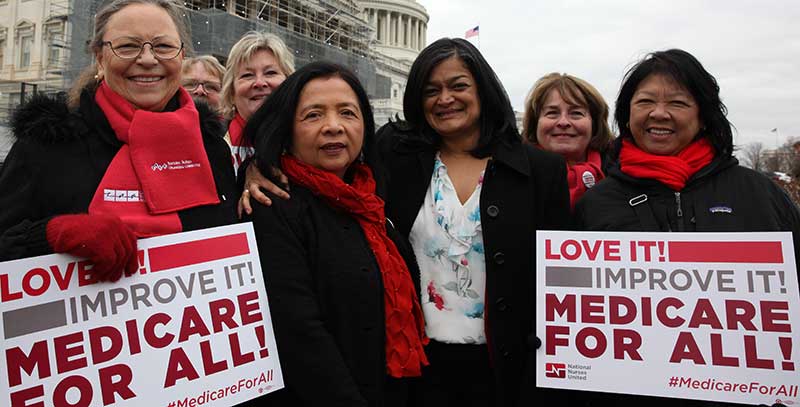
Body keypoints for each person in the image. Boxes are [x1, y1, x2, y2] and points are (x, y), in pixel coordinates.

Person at [239, 38, 571, 406]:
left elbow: (558, 284)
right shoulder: (395, 157)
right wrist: (258, 167)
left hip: (506, 369)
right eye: (431, 90)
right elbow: (317, 164)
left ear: (483, 88)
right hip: (416, 373)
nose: (445, 98)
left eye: (458, 85)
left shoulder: (541, 172)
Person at [574, 49, 800, 406]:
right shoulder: (596, 203)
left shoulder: (759, 193)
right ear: (627, 113)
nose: (658, 113)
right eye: (645, 101)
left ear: (704, 115)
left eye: (677, 103)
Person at [0, 0, 237, 279]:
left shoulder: (211, 149)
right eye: (127, 46)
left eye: (163, 46)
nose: (148, 59)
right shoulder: (45, 145)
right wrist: (50, 234)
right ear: (100, 58)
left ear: (181, 56)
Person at [243, 61, 428, 406]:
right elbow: (298, 333)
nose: (333, 127)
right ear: (287, 129)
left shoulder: (371, 201)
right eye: (313, 115)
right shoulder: (272, 203)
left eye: (348, 113)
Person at [522, 72, 614, 209]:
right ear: (535, 124)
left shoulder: (622, 175)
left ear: (594, 124)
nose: (563, 122)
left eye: (576, 113)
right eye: (552, 113)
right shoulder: (510, 177)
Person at [221, 31, 294, 173]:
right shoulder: (207, 146)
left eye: (270, 73)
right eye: (247, 75)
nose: (259, 83)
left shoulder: (307, 142)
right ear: (231, 91)